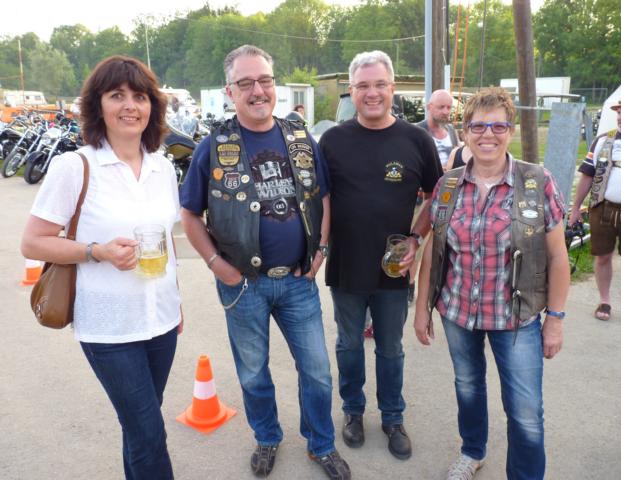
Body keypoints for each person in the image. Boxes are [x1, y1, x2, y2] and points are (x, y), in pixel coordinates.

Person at [179, 45, 350, 480]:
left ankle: (321, 444)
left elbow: (323, 197)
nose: (258, 90)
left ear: (275, 85)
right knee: (254, 373)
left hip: (298, 281)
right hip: (243, 285)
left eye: (265, 81)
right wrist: (216, 264)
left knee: (317, 372)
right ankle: (267, 437)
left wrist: (321, 251)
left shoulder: (301, 138)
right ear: (229, 91)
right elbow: (190, 214)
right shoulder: (212, 147)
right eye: (246, 83)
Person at [21, 55, 181, 479]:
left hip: (162, 320)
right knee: (149, 433)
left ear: (152, 107)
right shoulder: (76, 166)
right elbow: (32, 242)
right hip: (109, 328)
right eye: (117, 95)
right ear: (98, 105)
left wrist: (178, 303)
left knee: (140, 427)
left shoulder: (163, 167)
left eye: (140, 97)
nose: (130, 105)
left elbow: (166, 239)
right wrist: (98, 251)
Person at [414, 87, 570, 480]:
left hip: (516, 317)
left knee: (526, 410)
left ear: (510, 131)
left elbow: (557, 257)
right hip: (457, 312)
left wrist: (555, 319)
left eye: (498, 126)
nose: (488, 134)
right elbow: (434, 251)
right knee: (468, 386)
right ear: (465, 132)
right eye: (478, 126)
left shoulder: (536, 181)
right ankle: (472, 451)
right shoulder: (448, 185)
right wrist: (421, 310)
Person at [320, 50, 442, 461]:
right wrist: (319, 248)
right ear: (351, 91)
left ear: (393, 88)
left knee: (390, 348)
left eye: (379, 85)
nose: (371, 93)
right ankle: (352, 411)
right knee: (349, 345)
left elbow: (437, 195)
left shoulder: (417, 140)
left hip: (394, 268)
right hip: (346, 264)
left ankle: (393, 417)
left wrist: (416, 237)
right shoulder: (333, 140)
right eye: (363, 86)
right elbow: (319, 200)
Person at [569, 93, 621, 324]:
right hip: (603, 208)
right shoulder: (603, 141)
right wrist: (576, 208)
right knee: (602, 257)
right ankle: (604, 301)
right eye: (619, 112)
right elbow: (587, 176)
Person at [417, 89, 461, 168]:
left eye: (449, 107)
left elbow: (460, 155)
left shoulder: (451, 130)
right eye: (441, 107)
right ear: (429, 107)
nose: (445, 112)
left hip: (451, 176)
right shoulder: (416, 131)